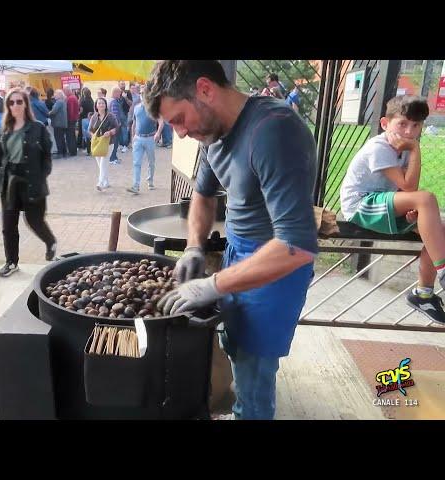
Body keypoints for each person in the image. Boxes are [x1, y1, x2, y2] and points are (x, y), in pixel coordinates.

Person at [144, 60, 318, 420]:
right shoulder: (212, 133)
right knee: (234, 346)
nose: (178, 132)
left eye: (178, 119)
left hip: (276, 267)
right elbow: (202, 196)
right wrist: (194, 245)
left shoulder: (274, 131)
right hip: (238, 249)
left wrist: (214, 283)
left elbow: (297, 245)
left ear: (205, 89)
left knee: (254, 370)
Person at [340, 95, 445, 324]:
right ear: (385, 124)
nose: (409, 131)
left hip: (385, 201)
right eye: (402, 124)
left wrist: (410, 209)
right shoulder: (379, 147)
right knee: (426, 198)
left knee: (438, 228)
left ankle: (424, 295)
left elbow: (405, 189)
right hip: (361, 204)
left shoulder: (405, 147)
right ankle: (444, 271)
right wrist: (415, 150)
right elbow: (410, 187)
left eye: (415, 126)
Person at [0, 88, 57, 277]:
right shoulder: (4, 129)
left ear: (26, 104)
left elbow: (47, 157)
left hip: (32, 179)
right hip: (10, 181)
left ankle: (50, 242)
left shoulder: (38, 128)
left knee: (34, 220)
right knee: (8, 225)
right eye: (11, 102)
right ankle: (12, 262)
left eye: (19, 101)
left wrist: (42, 176)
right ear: (7, 106)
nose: (15, 105)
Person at [127, 100, 163, 194]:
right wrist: (132, 137)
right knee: (136, 163)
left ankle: (150, 181)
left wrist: (158, 133)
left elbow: (161, 121)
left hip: (150, 138)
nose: (143, 95)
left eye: (144, 93)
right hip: (138, 138)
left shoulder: (153, 108)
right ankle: (136, 186)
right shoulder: (136, 108)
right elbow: (134, 123)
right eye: (141, 93)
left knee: (151, 162)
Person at [89, 97, 119, 192]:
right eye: (99, 103)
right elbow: (90, 130)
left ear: (106, 105)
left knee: (103, 163)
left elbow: (117, 128)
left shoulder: (110, 116)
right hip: (98, 143)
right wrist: (93, 135)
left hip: (108, 143)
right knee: (101, 164)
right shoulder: (94, 117)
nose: (101, 105)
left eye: (103, 103)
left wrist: (110, 132)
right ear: (96, 106)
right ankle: (106, 181)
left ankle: (100, 183)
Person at [48, 89, 68, 158]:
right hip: (62, 123)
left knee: (58, 138)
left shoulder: (58, 102)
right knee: (62, 138)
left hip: (58, 123)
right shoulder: (63, 101)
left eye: (55, 94)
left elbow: (54, 111)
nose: (54, 96)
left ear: (59, 95)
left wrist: (48, 113)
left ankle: (60, 153)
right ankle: (64, 152)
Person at [108, 87, 124, 164]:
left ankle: (114, 157)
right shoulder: (114, 102)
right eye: (119, 93)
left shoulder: (110, 100)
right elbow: (115, 114)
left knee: (114, 142)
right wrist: (118, 124)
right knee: (115, 142)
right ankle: (112, 158)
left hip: (110, 125)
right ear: (115, 93)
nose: (120, 95)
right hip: (114, 126)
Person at [64, 87, 79, 156]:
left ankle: (72, 151)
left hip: (71, 120)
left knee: (70, 136)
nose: (64, 93)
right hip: (73, 119)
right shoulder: (73, 97)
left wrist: (68, 119)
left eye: (64, 91)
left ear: (67, 91)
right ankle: (73, 151)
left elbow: (71, 110)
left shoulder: (70, 98)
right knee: (71, 136)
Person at [79, 87, 94, 152]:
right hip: (91, 118)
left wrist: (78, 113)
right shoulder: (92, 100)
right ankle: (91, 148)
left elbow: (81, 111)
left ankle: (87, 149)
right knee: (90, 133)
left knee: (85, 135)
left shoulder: (83, 101)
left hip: (84, 118)